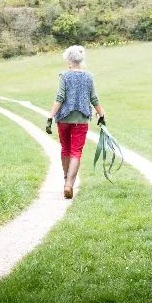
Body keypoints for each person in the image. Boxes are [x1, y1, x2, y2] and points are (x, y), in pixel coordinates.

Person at [45, 44, 105, 199]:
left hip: (63, 119)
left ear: (69, 61)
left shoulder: (64, 76)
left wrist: (50, 116)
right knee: (76, 152)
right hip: (81, 120)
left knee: (65, 149)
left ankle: (66, 180)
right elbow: (94, 98)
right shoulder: (88, 77)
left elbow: (60, 98)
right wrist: (101, 114)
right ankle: (69, 185)